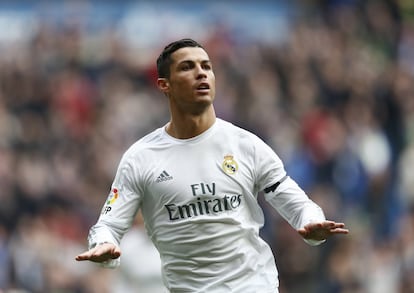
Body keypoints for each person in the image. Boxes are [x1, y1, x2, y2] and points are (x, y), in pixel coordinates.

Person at [76, 38, 349, 292]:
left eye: (206, 66)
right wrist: (103, 245)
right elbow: (108, 225)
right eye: (187, 67)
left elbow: (295, 200)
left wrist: (311, 221)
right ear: (164, 84)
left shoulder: (246, 145)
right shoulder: (141, 158)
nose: (201, 73)